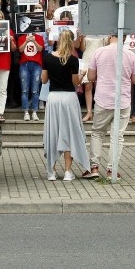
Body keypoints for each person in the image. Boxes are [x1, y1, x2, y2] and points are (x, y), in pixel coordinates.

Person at [86, 34, 135, 180]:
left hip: (103, 98)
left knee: (97, 133)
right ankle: (112, 170)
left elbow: (91, 77)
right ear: (125, 37)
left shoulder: (99, 52)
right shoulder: (130, 54)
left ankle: (94, 167)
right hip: (122, 100)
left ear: (110, 36)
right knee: (117, 137)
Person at [41, 30, 94, 181]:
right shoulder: (73, 60)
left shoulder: (47, 58)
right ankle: (68, 171)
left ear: (58, 40)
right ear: (71, 42)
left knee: (53, 132)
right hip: (69, 98)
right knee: (69, 132)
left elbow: (44, 80)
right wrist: (82, 75)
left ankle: (51, 171)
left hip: (53, 98)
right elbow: (75, 83)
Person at [17, 28, 44, 121]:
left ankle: (35, 112)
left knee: (35, 90)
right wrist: (26, 41)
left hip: (37, 65)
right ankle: (26, 112)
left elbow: (40, 49)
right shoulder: (21, 37)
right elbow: (20, 50)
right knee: (24, 90)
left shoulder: (39, 37)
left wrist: (34, 40)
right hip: (25, 65)